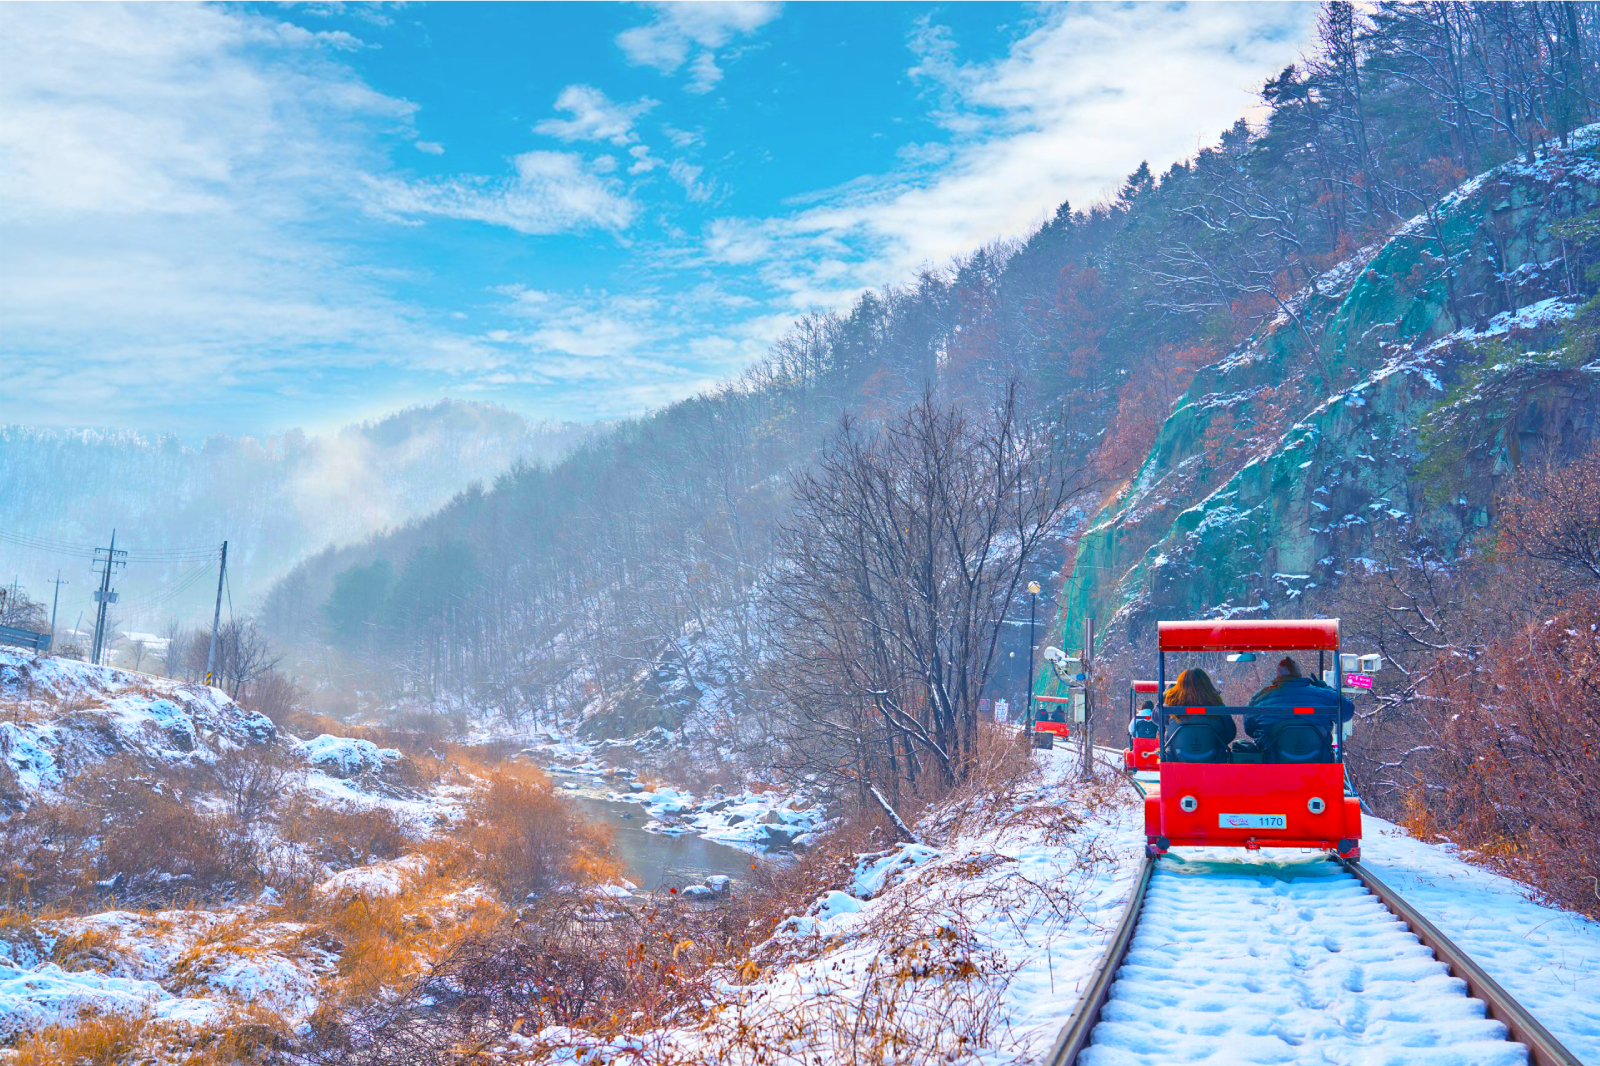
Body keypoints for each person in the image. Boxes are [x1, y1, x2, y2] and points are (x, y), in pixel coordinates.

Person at [1244, 657, 1354, 755]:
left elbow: (1248, 728)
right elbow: (1347, 712)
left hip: (1274, 762)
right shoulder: (1323, 695)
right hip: (1318, 762)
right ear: (1299, 675)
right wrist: (1326, 688)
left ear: (1277, 677)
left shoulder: (1261, 697)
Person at [1163, 667, 1236, 758]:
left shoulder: (1171, 706)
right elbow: (1230, 732)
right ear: (1207, 685)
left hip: (1176, 757)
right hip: (1214, 757)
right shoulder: (1218, 705)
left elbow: (1156, 719)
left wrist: (1164, 698)